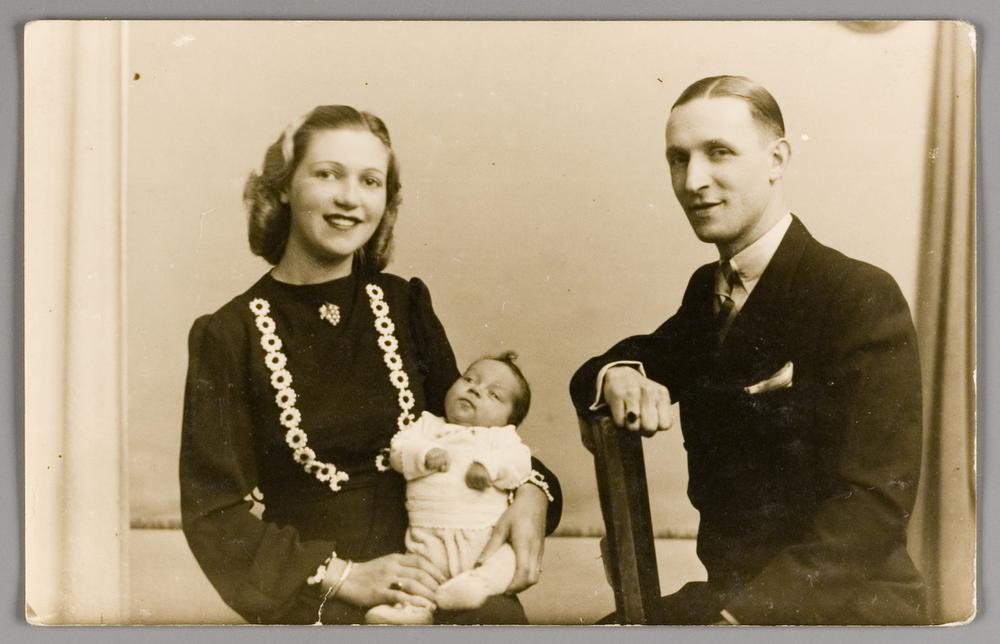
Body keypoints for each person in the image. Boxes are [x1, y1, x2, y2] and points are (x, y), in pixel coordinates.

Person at [180, 105, 561, 625]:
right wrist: (345, 576)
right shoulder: (230, 335)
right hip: (324, 589)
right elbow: (213, 513)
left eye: (370, 181)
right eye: (327, 174)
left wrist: (534, 493)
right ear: (283, 187)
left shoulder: (404, 305)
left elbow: (470, 427)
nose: (349, 198)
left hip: (439, 567)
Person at [570, 76, 925, 625]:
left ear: (777, 159)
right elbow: (626, 361)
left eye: (719, 153)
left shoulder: (856, 294)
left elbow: (874, 505)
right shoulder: (708, 290)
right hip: (731, 597)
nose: (693, 181)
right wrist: (619, 373)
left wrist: (743, 621)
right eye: (678, 159)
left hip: (842, 607)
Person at [366, 352, 541, 624]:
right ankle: (414, 610)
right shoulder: (427, 426)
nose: (475, 389)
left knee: (504, 560)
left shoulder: (501, 438)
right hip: (429, 534)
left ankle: (477, 585)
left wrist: (489, 466)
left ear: (510, 419)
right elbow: (399, 450)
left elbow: (519, 463)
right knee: (419, 573)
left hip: (484, 535)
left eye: (494, 394)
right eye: (469, 379)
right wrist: (425, 455)